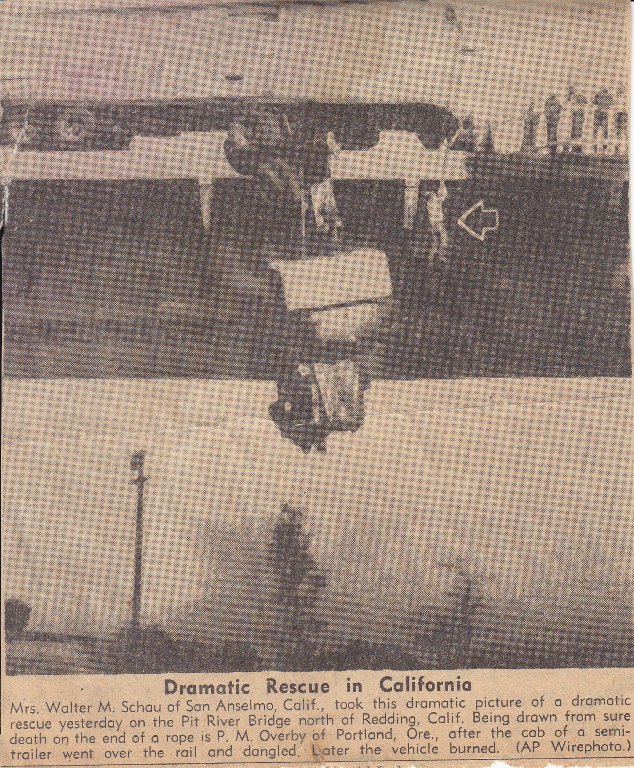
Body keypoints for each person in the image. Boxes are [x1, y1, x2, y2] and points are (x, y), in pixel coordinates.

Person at [426, 182, 449, 264]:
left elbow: (443, 195)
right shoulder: (433, 199)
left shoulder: (433, 200)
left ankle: (431, 259)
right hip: (436, 223)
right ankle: (438, 258)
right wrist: (442, 183)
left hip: (435, 223)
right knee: (442, 239)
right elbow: (443, 195)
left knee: (436, 242)